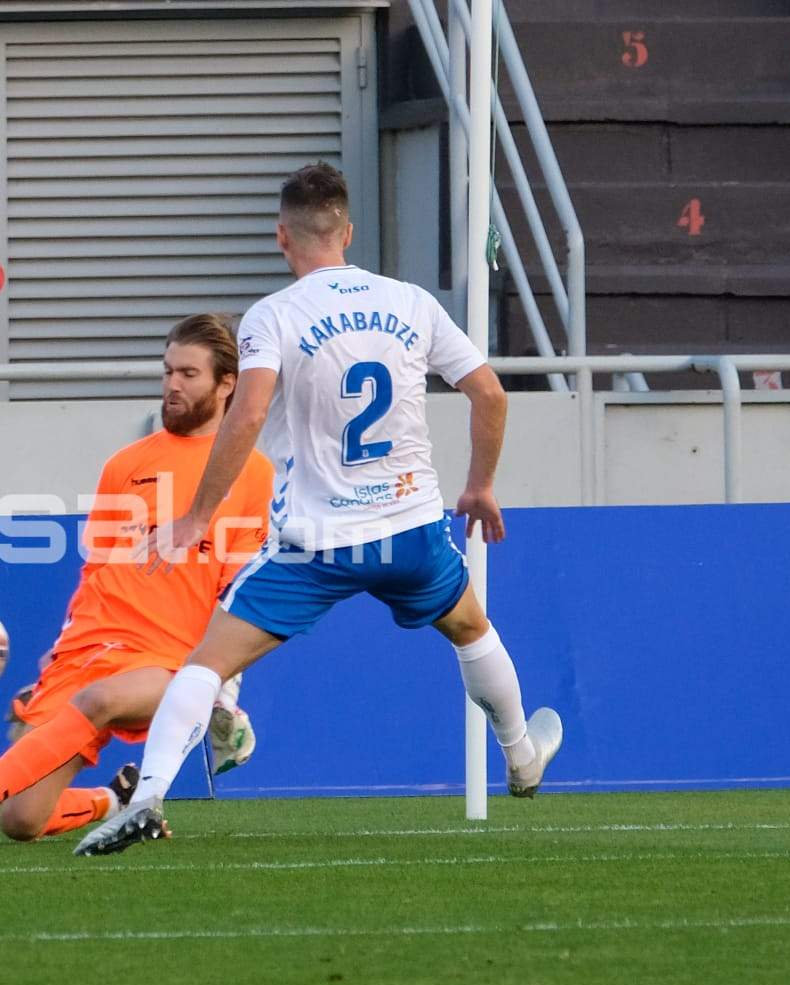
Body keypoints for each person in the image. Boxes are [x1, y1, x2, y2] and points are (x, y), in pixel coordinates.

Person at [75, 163, 563, 857]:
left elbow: (244, 413)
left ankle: (147, 796)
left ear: (282, 237)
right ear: (347, 231)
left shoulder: (273, 316)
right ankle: (520, 757)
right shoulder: (410, 302)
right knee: (471, 627)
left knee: (205, 665)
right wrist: (480, 484)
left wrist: (193, 517)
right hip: (409, 528)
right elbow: (488, 394)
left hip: (316, 542)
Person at [0, 314, 273, 848]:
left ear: (227, 383)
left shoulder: (253, 474)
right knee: (23, 820)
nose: (172, 384)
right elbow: (96, 573)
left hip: (164, 658)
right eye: (168, 370)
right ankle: (114, 799)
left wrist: (220, 687)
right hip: (87, 648)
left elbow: (239, 592)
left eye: (189, 374)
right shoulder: (125, 465)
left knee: (101, 699)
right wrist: (56, 658)